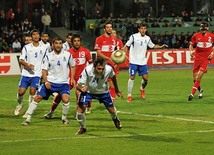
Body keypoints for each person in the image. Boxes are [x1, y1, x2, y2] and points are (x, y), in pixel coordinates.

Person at [22, 37, 76, 125]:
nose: (58, 45)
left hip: (63, 83)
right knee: (37, 98)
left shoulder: (67, 55)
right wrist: (46, 81)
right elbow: (44, 70)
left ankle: (64, 118)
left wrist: (72, 78)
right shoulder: (48, 56)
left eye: (60, 43)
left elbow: (73, 66)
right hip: (50, 82)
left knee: (66, 99)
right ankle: (28, 118)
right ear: (52, 45)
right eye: (56, 43)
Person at [44, 34, 93, 119]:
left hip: (82, 78)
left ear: (80, 42)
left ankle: (79, 113)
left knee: (79, 94)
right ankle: (51, 112)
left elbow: (91, 65)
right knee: (59, 95)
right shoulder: (68, 53)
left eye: (78, 41)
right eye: (75, 41)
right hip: (69, 78)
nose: (77, 43)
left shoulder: (86, 51)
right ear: (71, 42)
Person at [76, 58, 123, 134]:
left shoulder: (108, 69)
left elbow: (113, 77)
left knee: (111, 110)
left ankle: (115, 119)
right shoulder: (87, 70)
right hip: (88, 92)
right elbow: (77, 85)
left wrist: (117, 90)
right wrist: (82, 89)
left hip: (103, 92)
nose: (100, 71)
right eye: (99, 69)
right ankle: (83, 127)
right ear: (94, 67)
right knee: (80, 112)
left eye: (102, 69)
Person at [123, 23, 168, 103]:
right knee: (132, 77)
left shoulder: (147, 38)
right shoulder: (133, 36)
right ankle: (129, 95)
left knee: (146, 79)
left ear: (146, 29)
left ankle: (142, 88)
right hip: (133, 61)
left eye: (144, 28)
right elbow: (127, 45)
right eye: (141, 28)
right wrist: (124, 53)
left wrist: (161, 47)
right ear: (139, 29)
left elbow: (152, 46)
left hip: (142, 62)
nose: (143, 30)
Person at [14, 29, 48, 116]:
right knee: (21, 92)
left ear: (39, 36)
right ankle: (20, 104)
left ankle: (28, 112)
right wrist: (27, 65)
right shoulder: (27, 47)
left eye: (37, 34)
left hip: (37, 74)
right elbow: (21, 60)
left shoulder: (44, 48)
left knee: (33, 92)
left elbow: (46, 60)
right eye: (34, 34)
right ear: (31, 37)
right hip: (26, 73)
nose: (36, 36)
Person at [94, 22, 123, 103]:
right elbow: (98, 53)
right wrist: (108, 58)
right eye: (107, 27)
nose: (109, 29)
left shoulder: (114, 40)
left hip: (110, 65)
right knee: (95, 86)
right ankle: (88, 104)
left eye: (111, 27)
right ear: (104, 29)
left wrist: (116, 60)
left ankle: (111, 102)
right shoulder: (99, 39)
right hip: (101, 65)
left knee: (112, 83)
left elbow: (117, 53)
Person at [188, 22, 214, 101]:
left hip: (206, 59)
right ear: (200, 28)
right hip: (197, 59)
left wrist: (212, 53)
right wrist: (191, 51)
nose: (203, 30)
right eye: (202, 28)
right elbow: (191, 45)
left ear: (207, 28)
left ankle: (191, 94)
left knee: (198, 77)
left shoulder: (212, 36)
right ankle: (200, 91)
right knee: (195, 79)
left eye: (204, 28)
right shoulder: (196, 36)